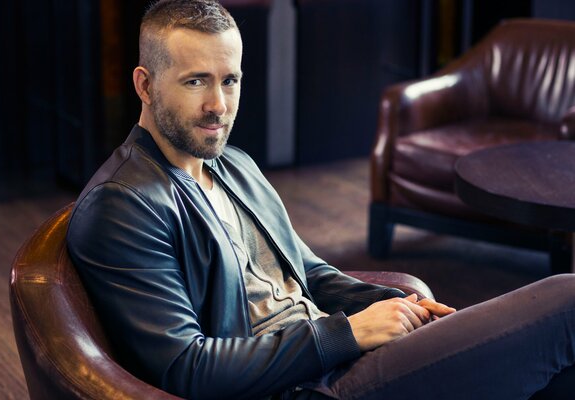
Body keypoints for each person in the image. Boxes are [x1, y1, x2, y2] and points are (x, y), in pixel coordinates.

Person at [67, 1, 575, 399]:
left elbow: (308, 273)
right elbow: (189, 369)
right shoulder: (123, 206)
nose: (217, 105)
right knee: (567, 300)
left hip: (336, 361)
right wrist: (347, 335)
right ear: (145, 84)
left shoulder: (233, 164)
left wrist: (394, 306)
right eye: (195, 81)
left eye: (230, 80)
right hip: (307, 389)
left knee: (544, 368)